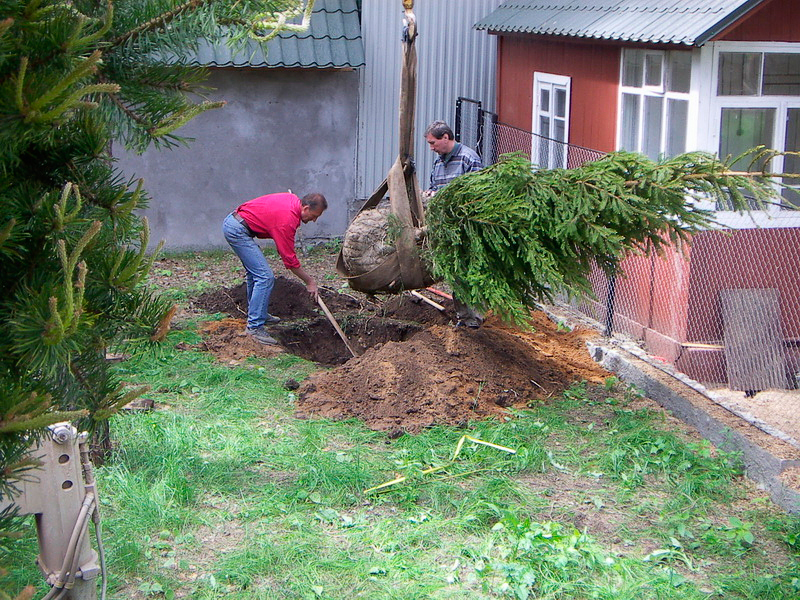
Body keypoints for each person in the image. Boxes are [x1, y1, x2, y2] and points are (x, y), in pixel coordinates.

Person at [222, 192, 327, 345]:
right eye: (314, 215)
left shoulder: (292, 200)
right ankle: (255, 328)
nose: (314, 220)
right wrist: (310, 281)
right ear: (305, 208)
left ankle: (259, 314)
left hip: (236, 222)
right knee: (264, 276)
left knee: (255, 274)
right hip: (237, 230)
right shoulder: (287, 221)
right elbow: (290, 261)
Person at [423, 120, 484, 328]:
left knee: (469, 272)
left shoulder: (469, 158)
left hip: (467, 229)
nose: (431, 148)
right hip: (447, 229)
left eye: (433, 143)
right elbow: (434, 188)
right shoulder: (438, 163)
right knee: (456, 273)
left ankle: (474, 319)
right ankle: (464, 318)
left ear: (446, 138)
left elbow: (476, 196)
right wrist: (430, 195)